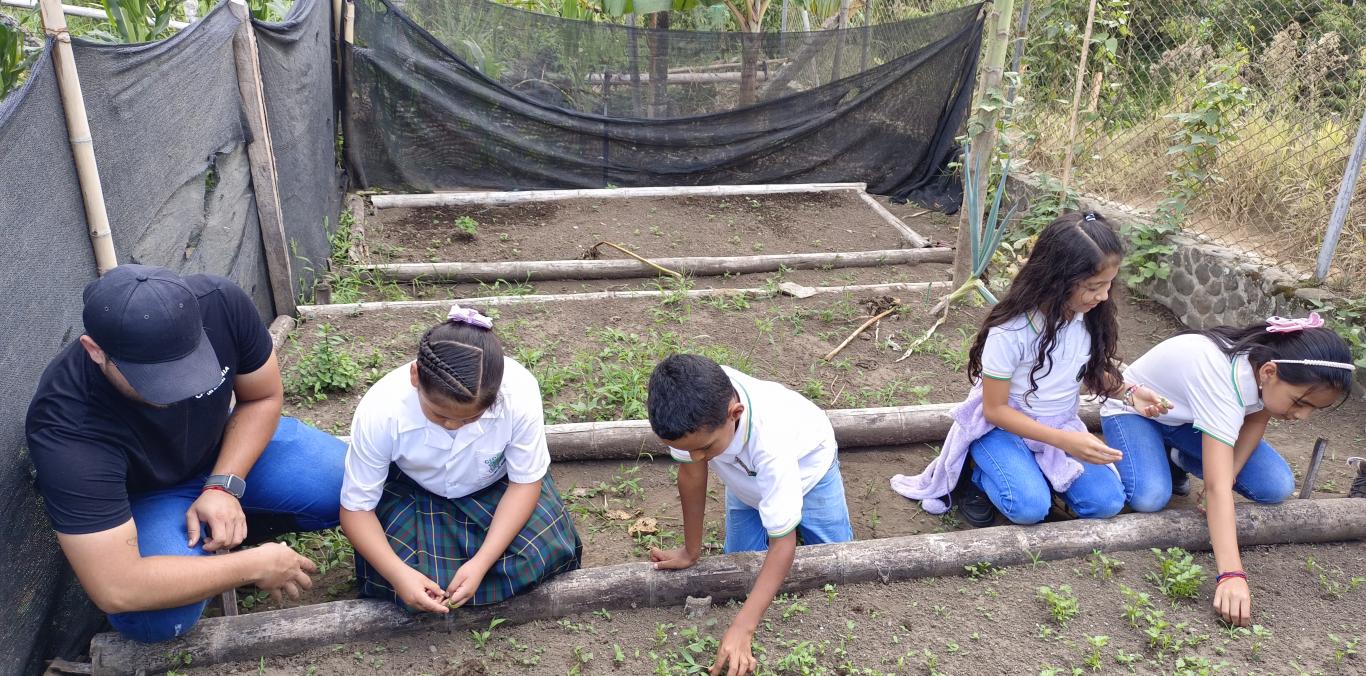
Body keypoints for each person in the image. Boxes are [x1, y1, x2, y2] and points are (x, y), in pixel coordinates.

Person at [25, 265, 346, 643]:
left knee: (347, 482)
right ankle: (199, 553)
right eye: (155, 380)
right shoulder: (66, 426)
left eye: (189, 370)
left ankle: (218, 536)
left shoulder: (220, 303)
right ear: (95, 351)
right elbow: (116, 586)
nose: (177, 391)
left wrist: (223, 486)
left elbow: (262, 397)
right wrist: (251, 565)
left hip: (222, 449)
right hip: (150, 497)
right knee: (152, 619)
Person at [891, 212, 1169, 526]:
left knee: (1106, 504)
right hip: (1001, 429)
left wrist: (1129, 393)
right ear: (1057, 279)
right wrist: (1065, 442)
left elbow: (1083, 370)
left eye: (1108, 285)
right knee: (1029, 509)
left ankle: (1032, 473)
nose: (1103, 295)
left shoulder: (1089, 317)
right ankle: (976, 475)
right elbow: (995, 410)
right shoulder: (1012, 331)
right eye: (1093, 286)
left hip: (1059, 425)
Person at [1101, 312, 1353, 627]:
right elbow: (1220, 491)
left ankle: (1176, 456)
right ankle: (1136, 454)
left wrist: (1227, 473)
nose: (1302, 416)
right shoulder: (1221, 378)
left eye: (1313, 409)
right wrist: (1231, 574)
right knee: (1150, 497)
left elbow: (1256, 417)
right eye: (1300, 402)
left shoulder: (1265, 370)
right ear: (1269, 372)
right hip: (1138, 412)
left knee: (1275, 485)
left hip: (1189, 421)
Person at [340, 306, 581, 613]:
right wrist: (399, 575)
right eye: (439, 414)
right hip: (413, 490)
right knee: (401, 571)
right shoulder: (381, 410)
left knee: (536, 551)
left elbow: (524, 484)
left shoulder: (519, 394)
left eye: (471, 418)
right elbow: (357, 510)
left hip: (497, 488)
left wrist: (481, 563)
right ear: (415, 376)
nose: (453, 425)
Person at [646, 354, 853, 676]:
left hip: (808, 470)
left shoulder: (771, 439)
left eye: (705, 449)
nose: (697, 457)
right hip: (745, 482)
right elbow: (692, 472)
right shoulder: (688, 411)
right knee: (740, 564)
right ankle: (769, 507)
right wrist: (691, 550)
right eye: (690, 450)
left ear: (735, 414)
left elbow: (782, 543)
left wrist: (743, 628)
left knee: (842, 561)